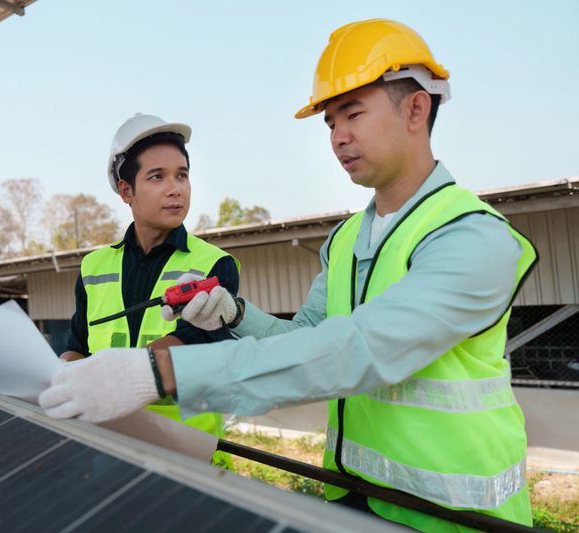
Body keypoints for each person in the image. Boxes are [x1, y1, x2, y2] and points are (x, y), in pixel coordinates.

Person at [40, 20, 536, 530]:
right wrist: (236, 314)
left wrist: (158, 374)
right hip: (353, 500)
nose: (338, 137)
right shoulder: (345, 240)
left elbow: (356, 351)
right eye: (329, 124)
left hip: (458, 517)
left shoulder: (472, 238)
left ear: (415, 108)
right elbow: (306, 337)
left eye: (353, 114)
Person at [58, 113, 240, 464]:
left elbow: (197, 340)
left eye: (182, 175)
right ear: (127, 191)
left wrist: (118, 373)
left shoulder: (216, 266)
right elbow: (77, 345)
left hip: (189, 458)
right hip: (106, 454)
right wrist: (57, 381)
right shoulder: (93, 268)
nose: (176, 188)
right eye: (157, 177)